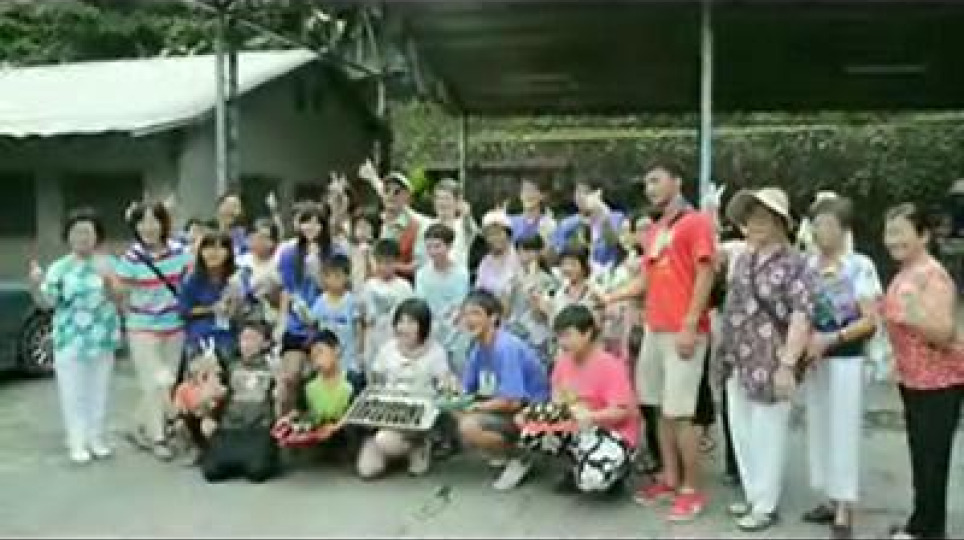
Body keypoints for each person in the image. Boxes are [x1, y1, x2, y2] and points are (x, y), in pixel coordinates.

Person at [602, 161, 716, 522]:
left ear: (677, 182)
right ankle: (669, 478)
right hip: (654, 328)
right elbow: (647, 281)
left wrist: (690, 323)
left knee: (682, 413)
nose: (649, 187)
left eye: (656, 180)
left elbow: (706, 273)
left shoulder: (696, 222)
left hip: (683, 330)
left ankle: (691, 490)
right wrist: (610, 296)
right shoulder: (655, 229)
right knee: (658, 408)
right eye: (647, 182)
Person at [715, 187, 816, 532]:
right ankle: (752, 493)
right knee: (741, 430)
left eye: (763, 218)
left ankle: (765, 504)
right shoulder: (744, 258)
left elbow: (802, 315)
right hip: (738, 358)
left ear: (780, 223)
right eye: (751, 218)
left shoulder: (795, 264)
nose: (755, 225)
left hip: (772, 358)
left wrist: (788, 364)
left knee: (767, 434)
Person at [880, 203, 964, 540]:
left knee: (932, 460)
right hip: (914, 380)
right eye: (889, 233)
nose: (892, 240)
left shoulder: (933, 276)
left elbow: (944, 333)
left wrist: (915, 316)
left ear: (923, 235)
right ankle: (920, 524)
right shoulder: (906, 272)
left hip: (939, 383)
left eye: (900, 232)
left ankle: (930, 531)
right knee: (922, 457)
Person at [802, 196, 882, 539]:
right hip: (815, 358)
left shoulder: (858, 266)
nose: (820, 231)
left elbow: (870, 320)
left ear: (844, 229)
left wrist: (832, 338)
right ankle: (830, 495)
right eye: (816, 224)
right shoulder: (808, 266)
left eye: (828, 224)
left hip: (847, 357)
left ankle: (845, 505)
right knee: (820, 427)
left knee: (844, 430)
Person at [28, 208, 122, 464]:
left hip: (102, 337)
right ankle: (77, 440)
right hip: (70, 338)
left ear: (97, 235)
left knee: (99, 390)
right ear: (68, 236)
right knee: (73, 392)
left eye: (88, 232)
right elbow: (47, 303)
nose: (83, 237)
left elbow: (120, 299)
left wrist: (109, 283)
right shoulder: (59, 268)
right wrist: (36, 284)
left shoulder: (109, 264)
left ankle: (96, 438)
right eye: (77, 232)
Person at [116, 202, 193, 462]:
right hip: (142, 328)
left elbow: (189, 281)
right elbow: (121, 293)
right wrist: (129, 318)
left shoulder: (180, 252)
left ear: (163, 224)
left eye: (154, 221)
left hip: (174, 325)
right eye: (142, 222)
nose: (148, 228)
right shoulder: (131, 257)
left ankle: (139, 425)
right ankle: (158, 438)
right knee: (154, 381)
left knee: (167, 382)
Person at [457, 289, 551, 491]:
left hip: (530, 412)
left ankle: (521, 456)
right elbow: (465, 390)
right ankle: (502, 451)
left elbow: (512, 401)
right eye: (466, 314)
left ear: (493, 318)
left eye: (475, 313)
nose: (469, 320)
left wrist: (477, 407)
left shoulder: (505, 347)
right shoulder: (477, 348)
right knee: (456, 411)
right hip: (507, 407)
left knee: (469, 424)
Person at [358, 299, 456, 479]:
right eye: (401, 321)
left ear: (423, 326)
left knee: (385, 441)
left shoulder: (436, 352)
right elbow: (376, 379)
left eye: (411, 322)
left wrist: (448, 385)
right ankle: (401, 449)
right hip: (390, 412)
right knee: (367, 470)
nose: (404, 328)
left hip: (419, 414)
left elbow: (445, 382)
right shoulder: (388, 348)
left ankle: (419, 445)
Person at [548, 304, 639, 495]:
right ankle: (575, 465)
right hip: (578, 424)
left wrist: (591, 416)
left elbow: (621, 411)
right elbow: (556, 395)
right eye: (560, 336)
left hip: (612, 432)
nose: (562, 342)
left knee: (593, 479)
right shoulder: (563, 362)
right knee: (531, 428)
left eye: (568, 335)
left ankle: (616, 470)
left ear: (587, 333)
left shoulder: (609, 365)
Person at [201, 320, 280, 483]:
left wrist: (279, 376)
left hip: (259, 430)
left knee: (257, 472)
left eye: (252, 339)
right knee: (211, 473)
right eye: (243, 339)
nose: (246, 344)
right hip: (230, 428)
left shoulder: (271, 366)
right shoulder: (231, 365)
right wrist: (211, 372)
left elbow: (282, 397)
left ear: (265, 343)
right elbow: (214, 393)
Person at [276, 202, 335, 415]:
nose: (311, 227)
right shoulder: (289, 253)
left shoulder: (334, 252)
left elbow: (335, 286)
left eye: (317, 223)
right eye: (306, 222)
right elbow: (286, 289)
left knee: (318, 376)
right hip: (296, 322)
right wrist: (282, 321)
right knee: (290, 376)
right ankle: (285, 421)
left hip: (324, 322)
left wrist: (317, 268)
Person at [178, 231, 246, 359]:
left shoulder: (239, 276)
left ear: (229, 252)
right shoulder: (192, 279)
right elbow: (184, 310)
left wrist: (235, 305)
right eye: (208, 248)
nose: (213, 253)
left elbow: (245, 310)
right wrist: (211, 309)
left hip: (229, 336)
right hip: (199, 336)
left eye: (220, 248)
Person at [416, 223, 471, 374]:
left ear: (449, 246)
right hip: (431, 331)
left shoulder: (461, 273)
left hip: (457, 331)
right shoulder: (421, 274)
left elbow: (459, 303)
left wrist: (451, 324)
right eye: (429, 247)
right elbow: (422, 304)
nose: (433, 251)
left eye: (437, 246)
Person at [310, 253, 366, 397]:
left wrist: (360, 352)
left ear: (346, 277)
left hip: (348, 355)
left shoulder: (351, 301)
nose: (333, 281)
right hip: (326, 355)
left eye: (338, 276)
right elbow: (314, 325)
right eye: (329, 276)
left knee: (348, 387)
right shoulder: (320, 301)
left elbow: (359, 327)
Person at [506, 234, 559, 365]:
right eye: (520, 251)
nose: (524, 255)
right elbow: (506, 311)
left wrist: (531, 284)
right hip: (515, 331)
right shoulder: (514, 277)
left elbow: (540, 315)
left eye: (529, 250)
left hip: (538, 336)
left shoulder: (548, 280)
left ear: (539, 252)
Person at [363, 239, 415, 372]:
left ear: (396, 262)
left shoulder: (404, 287)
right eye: (379, 262)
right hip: (373, 344)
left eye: (388, 263)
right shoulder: (369, 286)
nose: (383, 267)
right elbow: (365, 320)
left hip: (396, 344)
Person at [553, 180, 624, 270]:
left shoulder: (616, 218)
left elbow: (613, 244)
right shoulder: (568, 224)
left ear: (598, 193)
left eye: (585, 193)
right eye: (577, 193)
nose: (579, 197)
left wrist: (602, 212)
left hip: (609, 270)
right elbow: (557, 251)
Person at [379, 172, 429, 280]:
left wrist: (391, 266)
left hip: (406, 284)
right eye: (387, 190)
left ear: (407, 196)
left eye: (397, 192)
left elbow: (421, 264)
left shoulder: (419, 224)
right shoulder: (375, 221)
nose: (391, 195)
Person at [418, 179, 479, 268]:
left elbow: (471, 228)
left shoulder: (463, 225)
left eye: (446, 198)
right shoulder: (426, 225)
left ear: (457, 201)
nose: (442, 202)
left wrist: (467, 215)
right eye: (438, 198)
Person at [236, 217, 282, 326]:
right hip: (241, 316)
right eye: (254, 235)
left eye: (264, 237)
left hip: (269, 318)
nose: (257, 240)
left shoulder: (278, 264)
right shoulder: (239, 261)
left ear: (273, 242)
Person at [476, 209, 522, 311]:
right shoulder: (485, 262)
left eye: (498, 233)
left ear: (508, 234)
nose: (494, 238)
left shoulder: (519, 258)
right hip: (489, 314)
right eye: (490, 235)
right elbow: (479, 294)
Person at [509, 178, 556, 246]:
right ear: (521, 195)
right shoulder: (510, 222)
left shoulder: (549, 224)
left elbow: (551, 248)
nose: (528, 195)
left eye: (533, 191)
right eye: (525, 190)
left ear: (542, 196)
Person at [349, 206, 381, 293]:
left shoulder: (377, 249)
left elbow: (374, 276)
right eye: (358, 227)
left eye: (366, 227)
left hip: (372, 293)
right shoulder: (350, 249)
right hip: (355, 293)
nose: (362, 231)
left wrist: (366, 257)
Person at [215, 192, 249, 257]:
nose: (230, 209)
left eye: (235, 206)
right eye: (228, 205)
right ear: (219, 207)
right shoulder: (206, 233)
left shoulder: (244, 238)